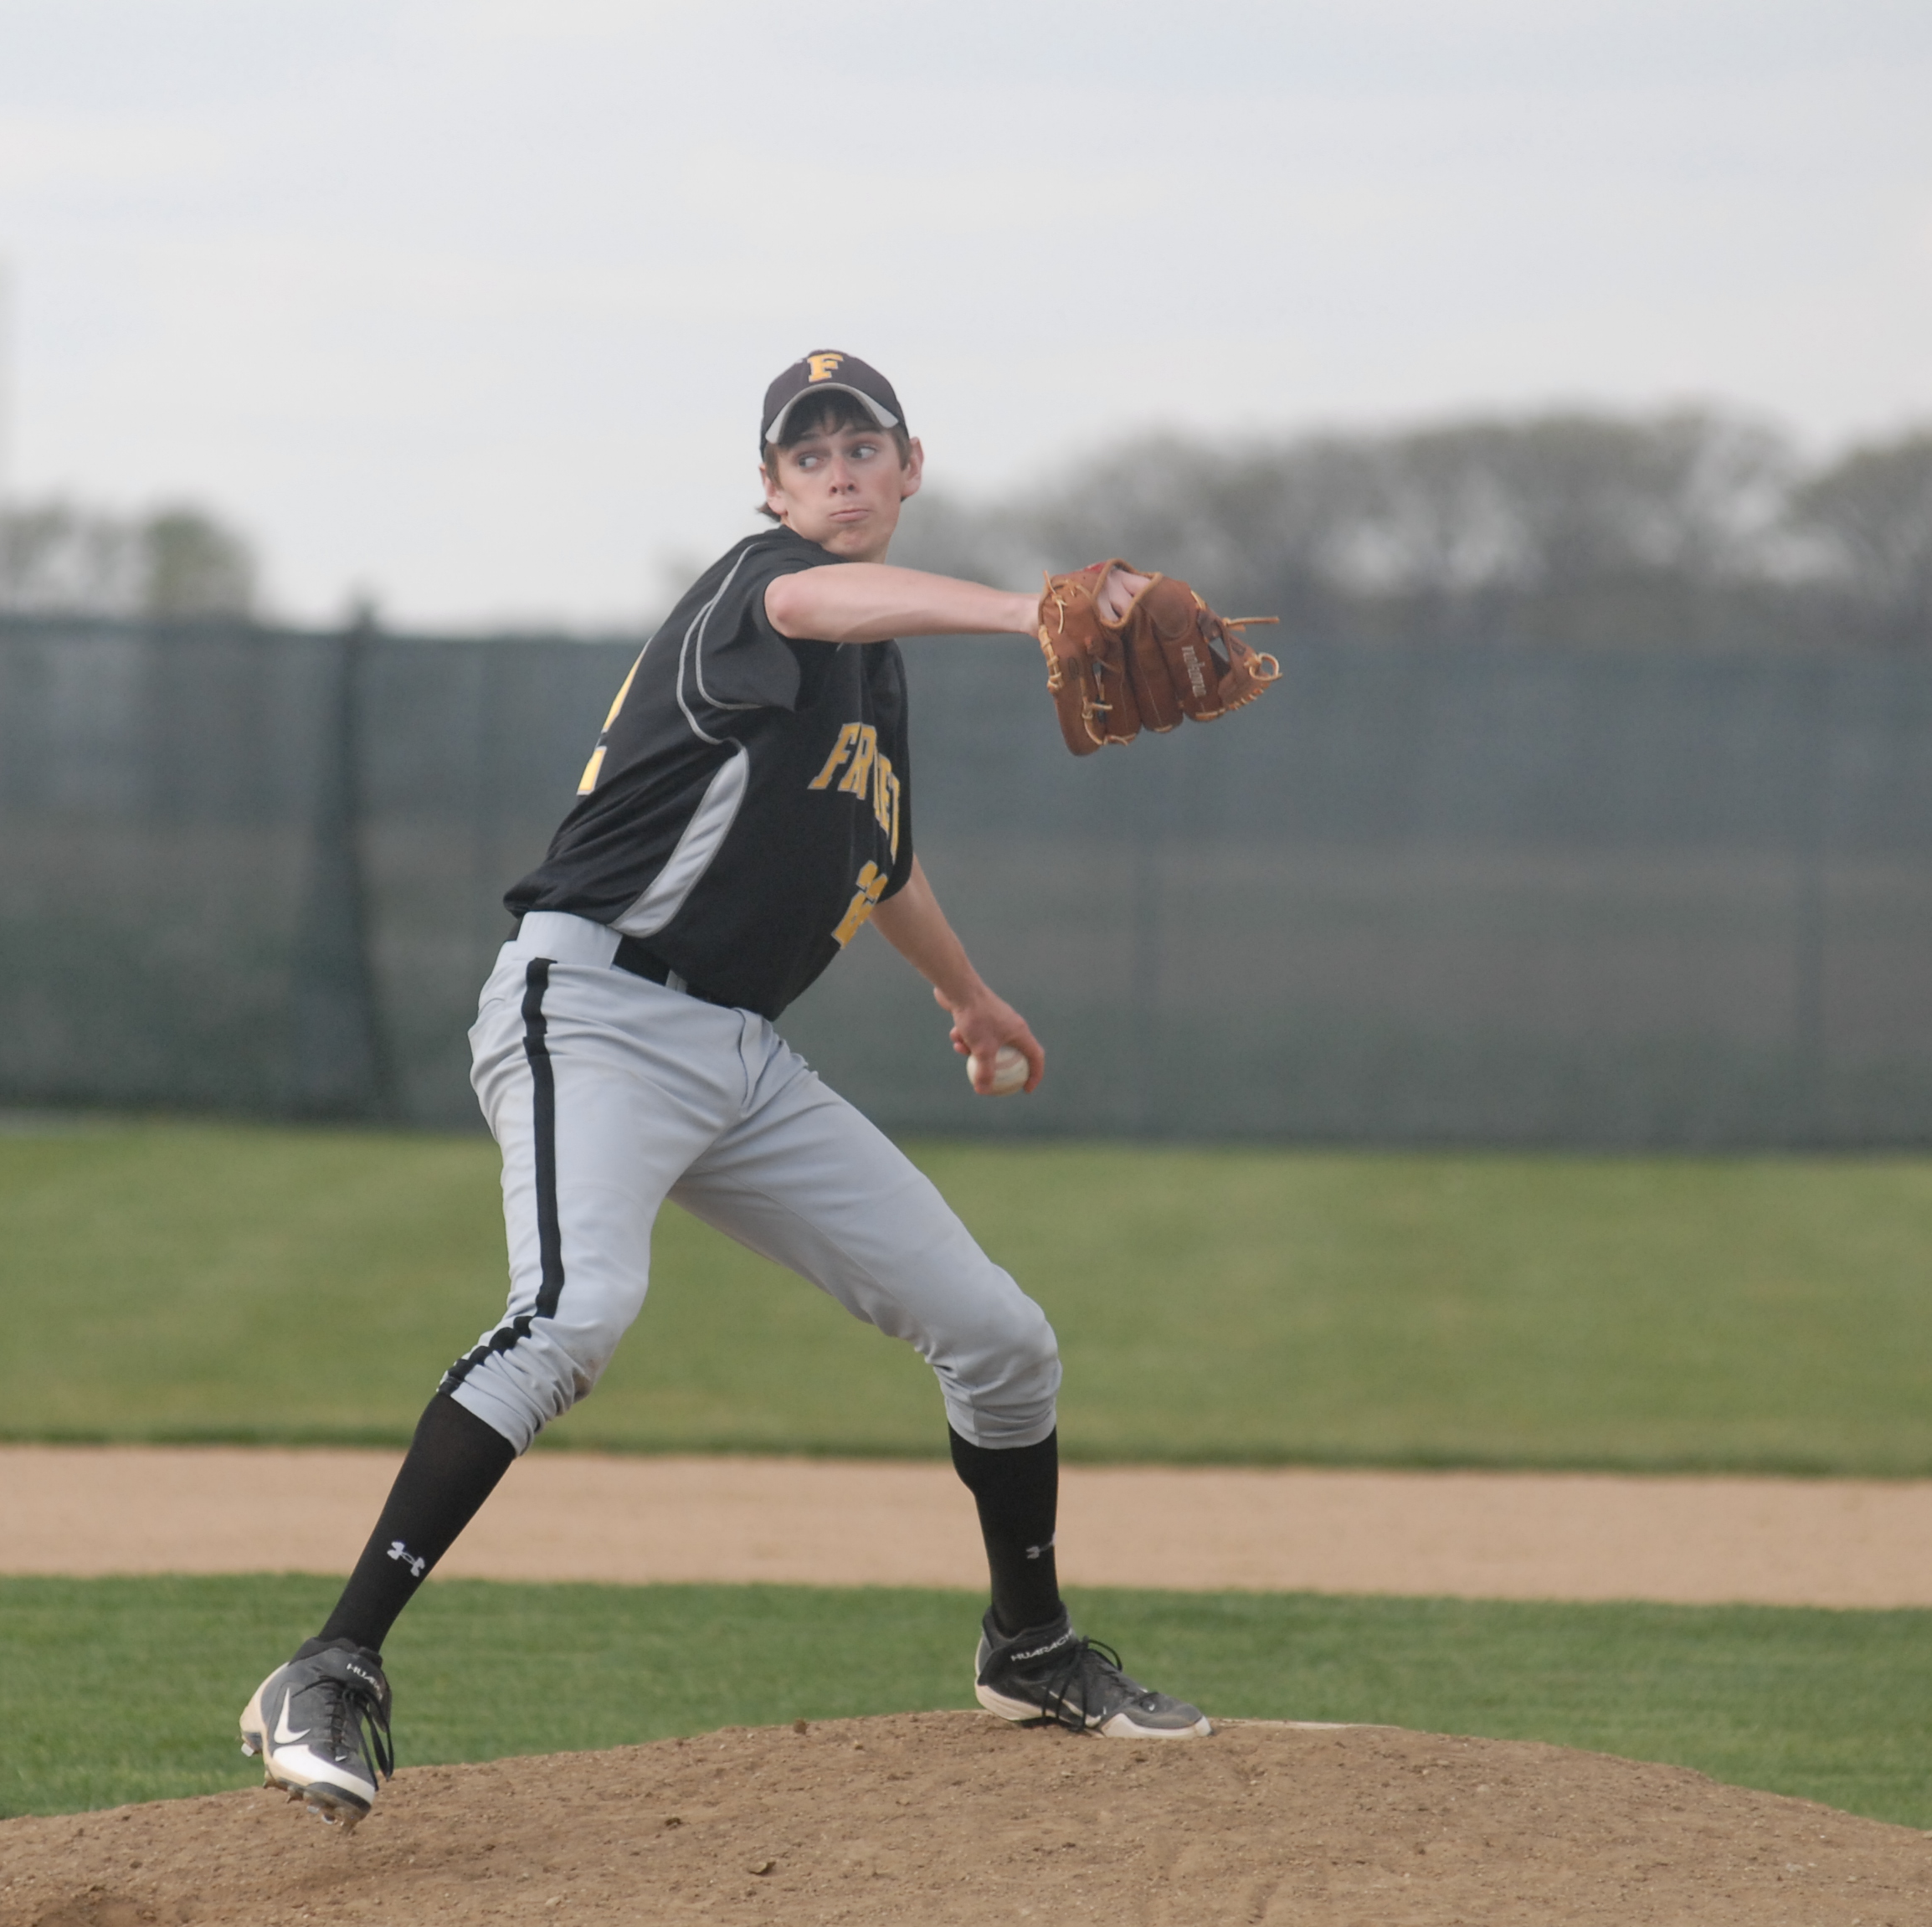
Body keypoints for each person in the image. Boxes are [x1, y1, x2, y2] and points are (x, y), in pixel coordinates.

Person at [241, 349, 1210, 1826]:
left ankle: (1029, 1644)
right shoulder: (757, 589)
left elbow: (877, 856)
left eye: (859, 446)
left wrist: (965, 990)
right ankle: (327, 1666)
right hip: (595, 1008)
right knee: (575, 1313)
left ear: (909, 466)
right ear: (768, 488)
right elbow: (808, 599)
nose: (834, 470)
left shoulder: (870, 676)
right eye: (806, 452)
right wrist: (1035, 607)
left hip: (740, 1059)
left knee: (1003, 1339)